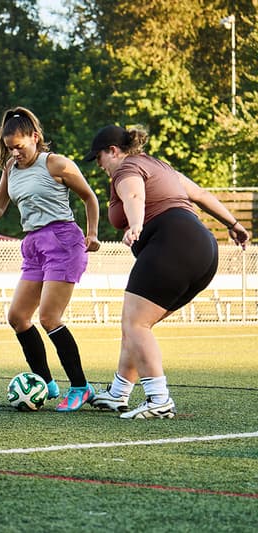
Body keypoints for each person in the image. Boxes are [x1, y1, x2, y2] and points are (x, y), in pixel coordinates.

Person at [83, 124, 250, 419]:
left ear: (113, 151)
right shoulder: (160, 166)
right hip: (203, 249)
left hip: (171, 243)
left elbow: (135, 197)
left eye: (98, 158)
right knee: (135, 323)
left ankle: (159, 399)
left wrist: (135, 226)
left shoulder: (127, 167)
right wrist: (233, 224)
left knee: (136, 324)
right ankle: (119, 392)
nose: (99, 166)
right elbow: (198, 194)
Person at [0, 107, 101, 412]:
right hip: (33, 244)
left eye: (20, 146)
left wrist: (93, 233)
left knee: (49, 318)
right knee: (18, 317)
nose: (15, 153)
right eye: (10, 148)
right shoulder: (11, 168)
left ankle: (80, 387)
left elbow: (89, 197)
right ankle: (46, 383)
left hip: (63, 242)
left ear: (35, 137)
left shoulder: (57, 164)